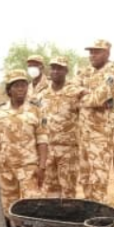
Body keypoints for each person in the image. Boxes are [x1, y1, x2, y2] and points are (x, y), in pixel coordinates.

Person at [0, 70, 49, 210]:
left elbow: (42, 140)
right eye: (16, 85)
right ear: (9, 89)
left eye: (23, 85)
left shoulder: (36, 111)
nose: (21, 88)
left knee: (33, 207)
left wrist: (42, 166)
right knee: (8, 207)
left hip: (29, 168)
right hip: (5, 168)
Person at [76, 39, 114, 202]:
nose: (92, 55)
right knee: (85, 179)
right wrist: (85, 94)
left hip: (100, 137)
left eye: (97, 51)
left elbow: (98, 99)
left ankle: (98, 220)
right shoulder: (86, 71)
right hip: (83, 135)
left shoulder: (113, 72)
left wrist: (83, 95)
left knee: (98, 181)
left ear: (107, 53)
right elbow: (71, 91)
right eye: (91, 52)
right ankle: (89, 216)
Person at [38, 56, 85, 198]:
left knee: (68, 190)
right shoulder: (42, 95)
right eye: (53, 68)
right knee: (49, 190)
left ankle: (67, 219)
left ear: (66, 71)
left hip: (68, 150)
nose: (56, 71)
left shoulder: (76, 93)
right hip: (47, 150)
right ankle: (51, 219)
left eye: (60, 68)